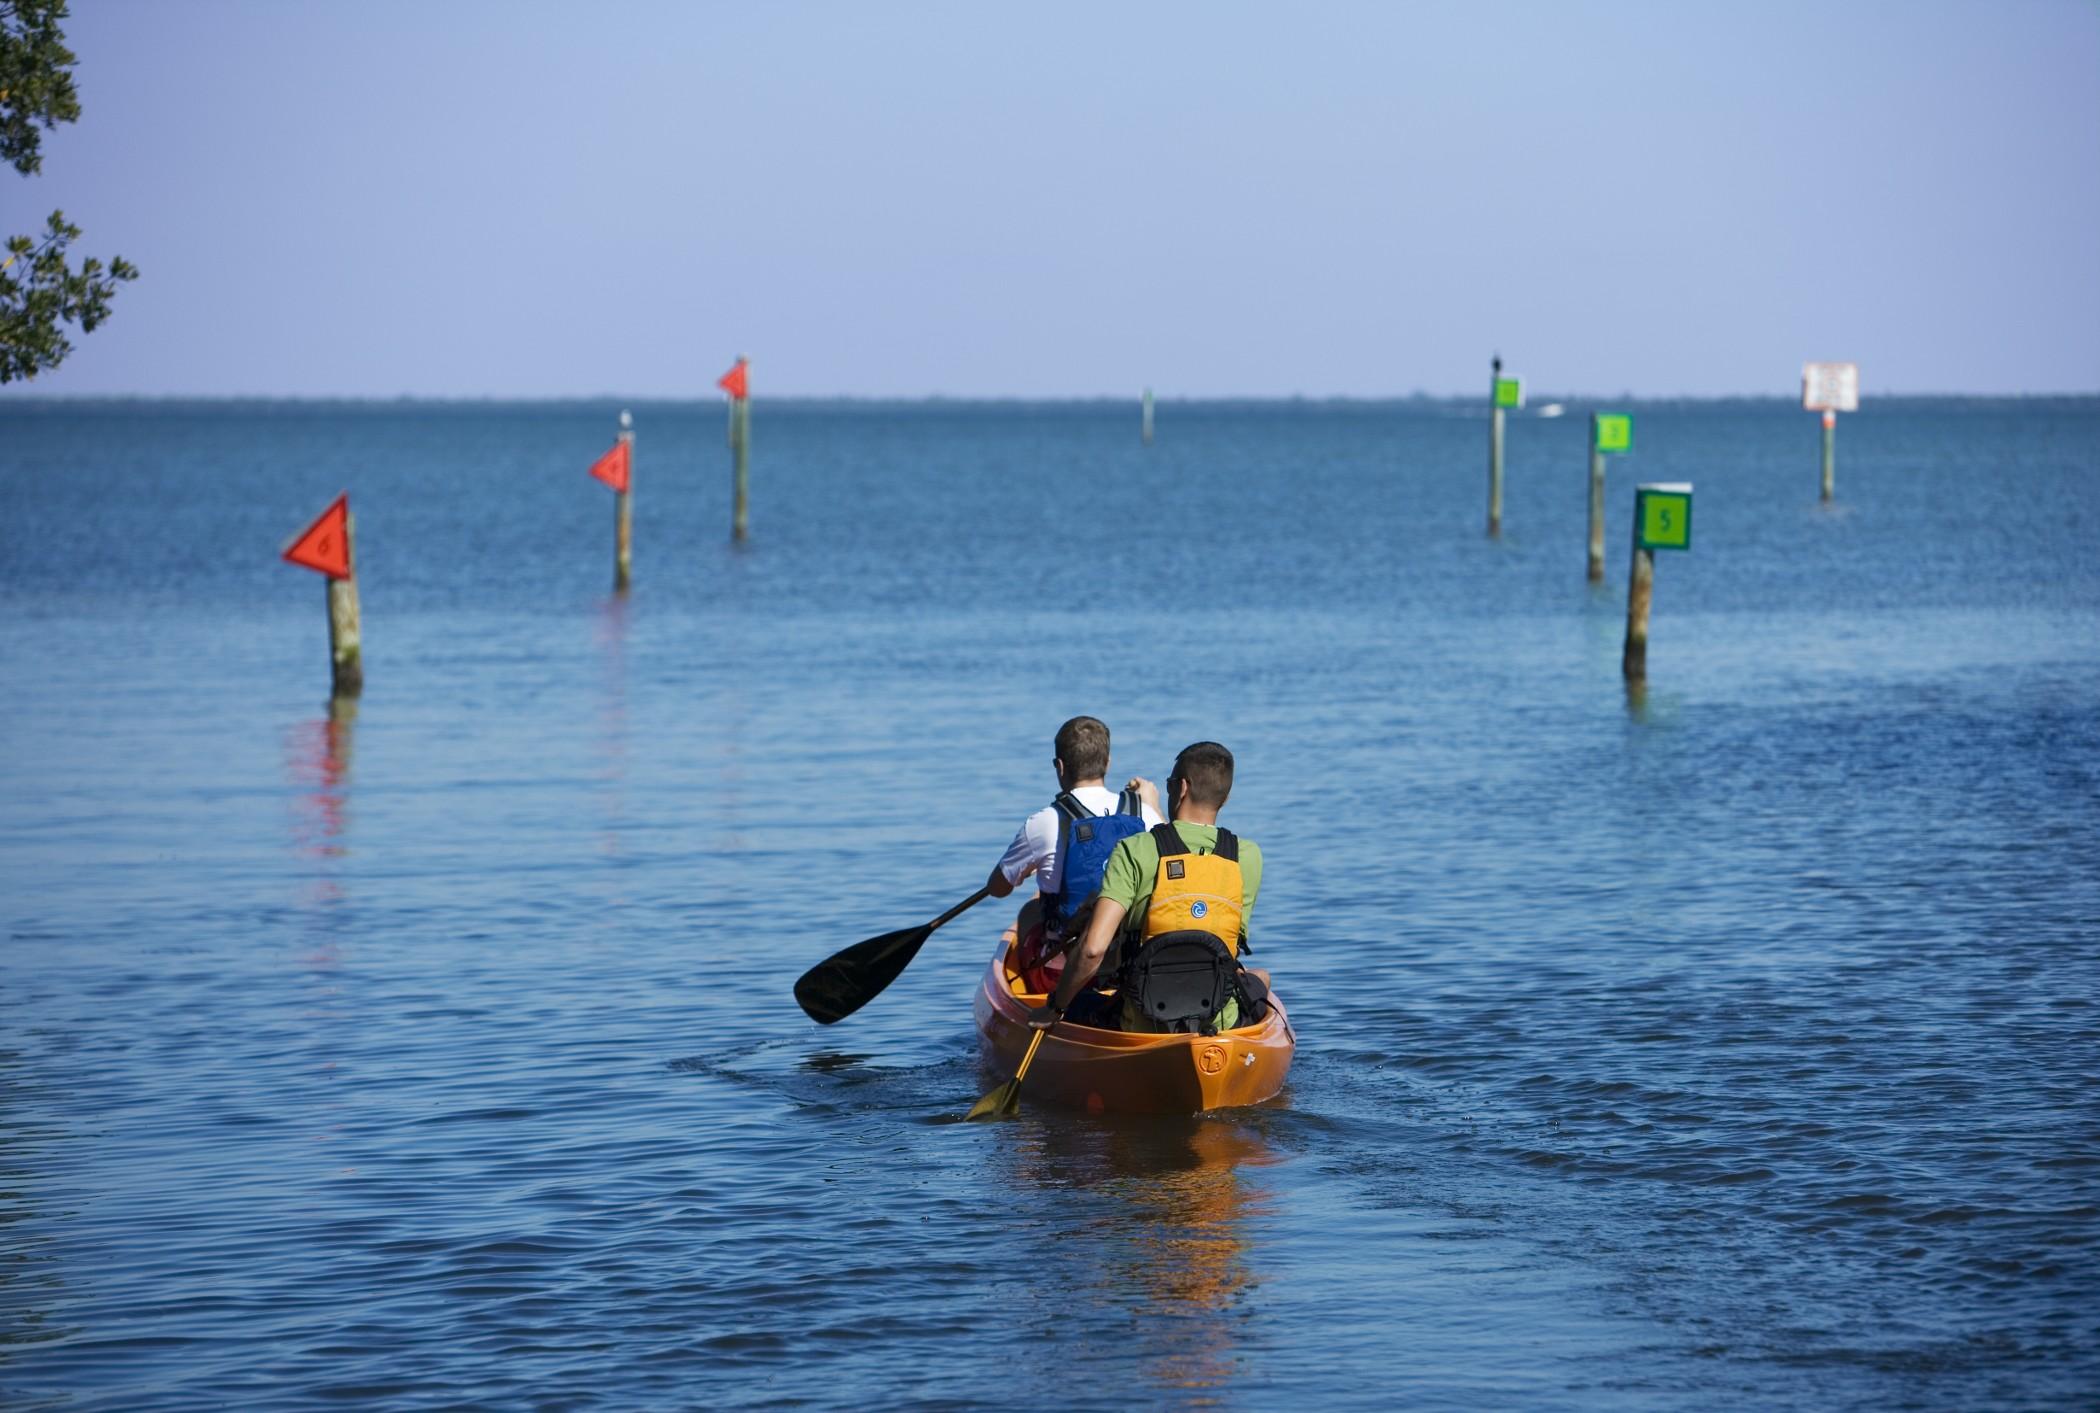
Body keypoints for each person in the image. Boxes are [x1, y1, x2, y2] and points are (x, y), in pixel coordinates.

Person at [1029, 741, 1264, 1034]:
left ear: (1181, 788)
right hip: (1218, 1018)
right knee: (1260, 978)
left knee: (1079, 1002)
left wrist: (1055, 1007)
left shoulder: (1134, 850)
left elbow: (1092, 950)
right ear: (1225, 798)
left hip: (1141, 1021)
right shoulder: (1247, 855)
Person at [987, 716, 1164, 993]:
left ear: (1059, 767)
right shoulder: (1144, 813)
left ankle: (1032, 995)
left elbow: (998, 888)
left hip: (1067, 972)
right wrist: (1154, 806)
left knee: (1032, 910)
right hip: (1132, 965)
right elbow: (1175, 857)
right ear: (1107, 763)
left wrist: (1031, 865)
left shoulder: (1044, 822)